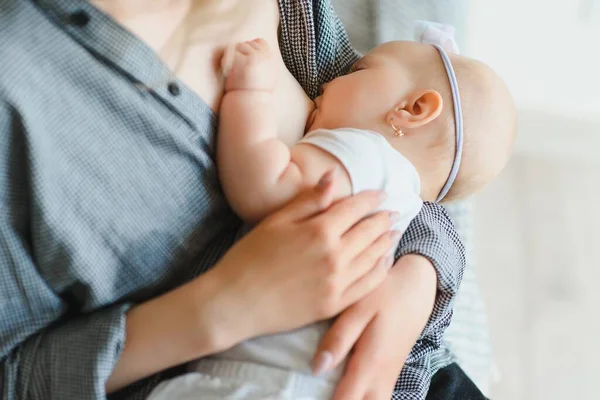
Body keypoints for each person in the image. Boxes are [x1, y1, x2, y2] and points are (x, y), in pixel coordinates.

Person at [0, 1, 463, 399]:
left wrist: (419, 274)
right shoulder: (18, 86)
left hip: (409, 371)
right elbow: (15, 378)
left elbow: (402, 139)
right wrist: (222, 307)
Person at [146, 26, 515, 400]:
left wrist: (248, 94)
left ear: (411, 110)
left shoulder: (361, 154)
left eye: (357, 71)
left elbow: (262, 189)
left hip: (259, 382)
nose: (332, 78)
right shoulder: (405, 194)